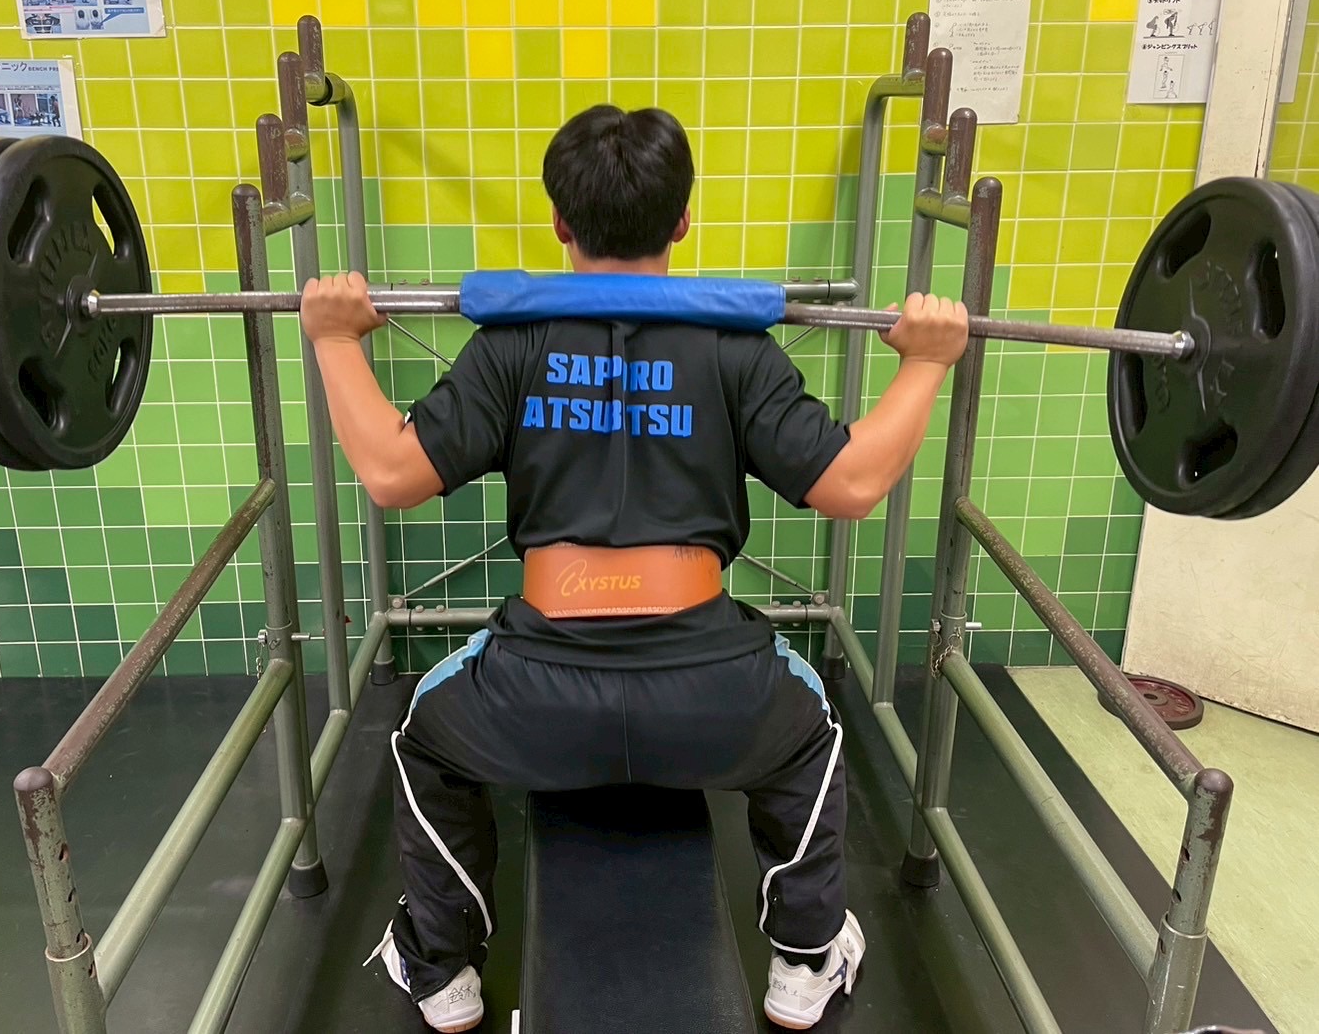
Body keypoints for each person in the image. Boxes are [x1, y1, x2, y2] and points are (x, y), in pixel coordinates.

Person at [301, 105, 969, 1033]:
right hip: (711, 701)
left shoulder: (512, 343)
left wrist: (334, 340)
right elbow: (852, 484)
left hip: (534, 699)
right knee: (811, 731)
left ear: (559, 224)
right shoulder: (733, 346)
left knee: (423, 740)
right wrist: (927, 362)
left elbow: (388, 473)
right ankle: (806, 960)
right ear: (683, 221)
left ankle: (439, 969)